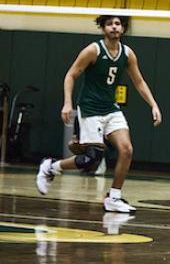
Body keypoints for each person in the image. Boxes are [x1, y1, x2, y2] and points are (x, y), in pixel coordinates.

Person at [36, 15, 162, 213]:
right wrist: (67, 103)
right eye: (109, 24)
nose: (114, 27)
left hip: (111, 108)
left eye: (117, 24)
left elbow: (139, 82)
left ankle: (114, 197)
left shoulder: (127, 53)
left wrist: (153, 105)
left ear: (123, 28)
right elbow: (71, 75)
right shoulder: (93, 50)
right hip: (90, 108)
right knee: (92, 158)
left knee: (127, 150)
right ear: (103, 29)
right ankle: (51, 166)